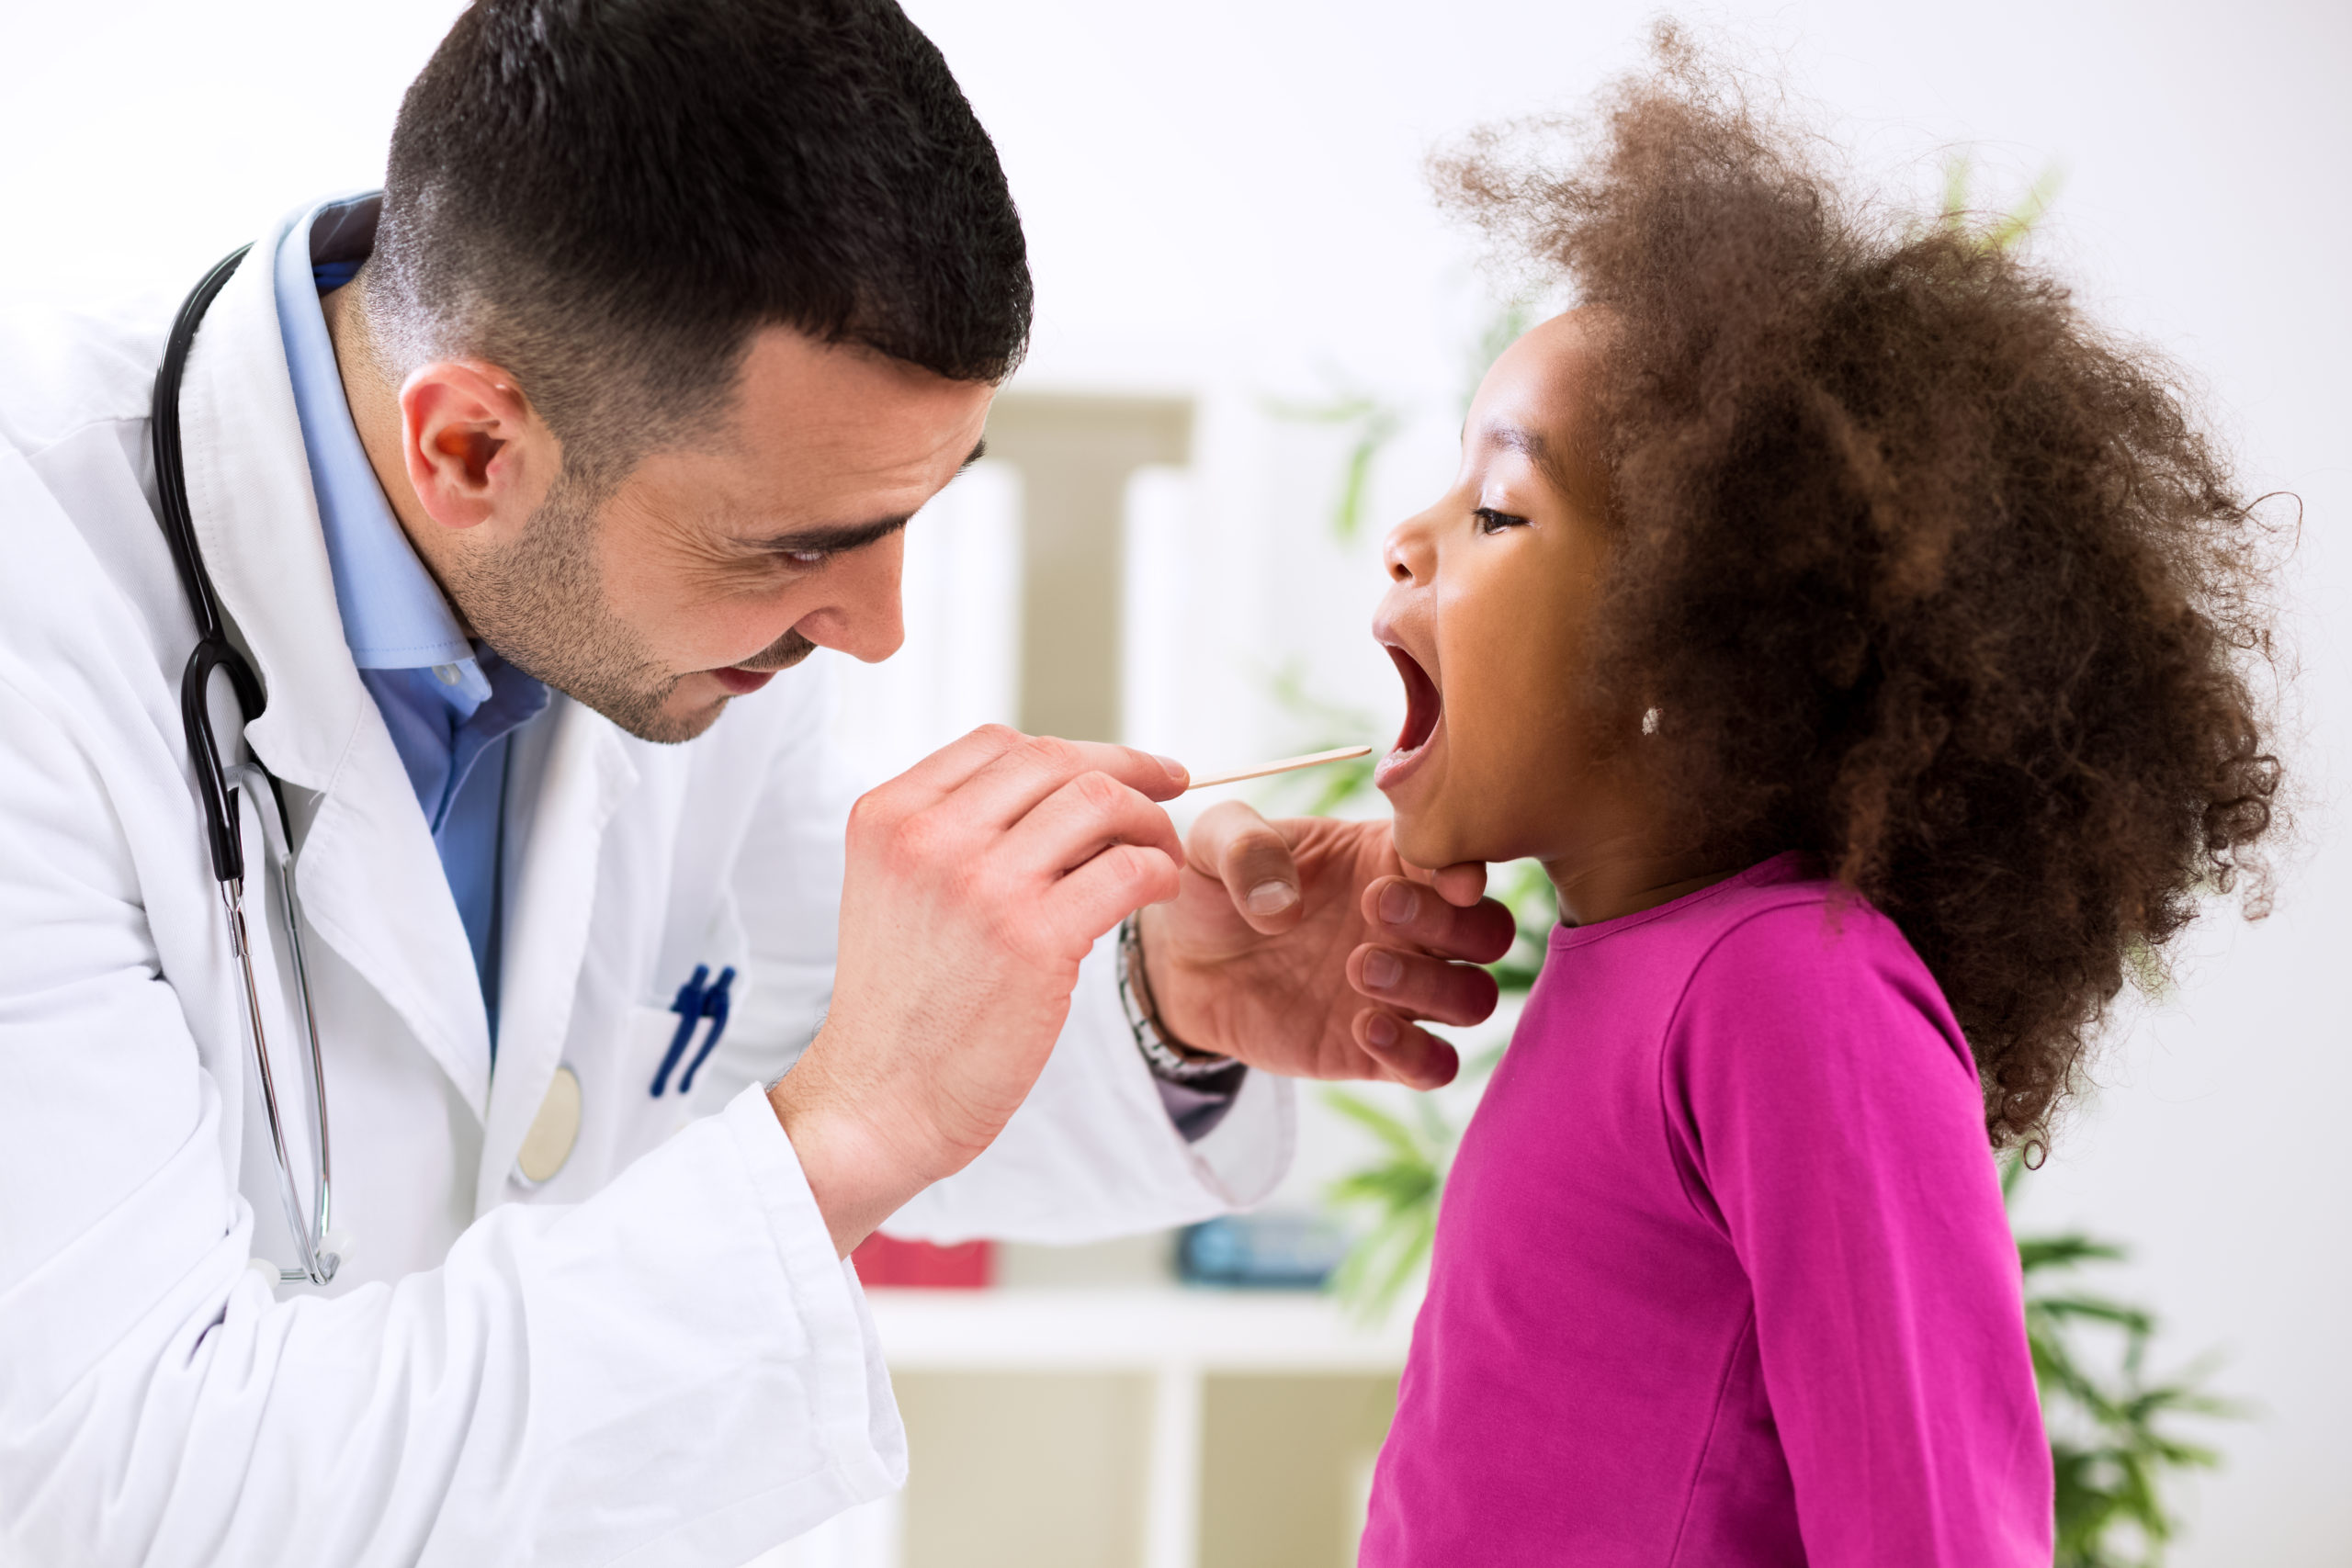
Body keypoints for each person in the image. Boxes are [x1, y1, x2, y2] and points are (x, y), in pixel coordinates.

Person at [0, 3, 1515, 1563]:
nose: (877, 631)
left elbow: (768, 1023)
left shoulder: (657, 618)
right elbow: (116, 1490)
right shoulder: (38, 626)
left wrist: (1158, 999)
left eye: (912, 514)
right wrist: (839, 1139)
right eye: (800, 549)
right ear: (467, 450)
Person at [1352, 33, 2284, 1567]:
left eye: (1499, 504)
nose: (1408, 534)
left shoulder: (1795, 992)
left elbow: (1936, 1531)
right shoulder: (1621, 969)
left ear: (1688, 626)